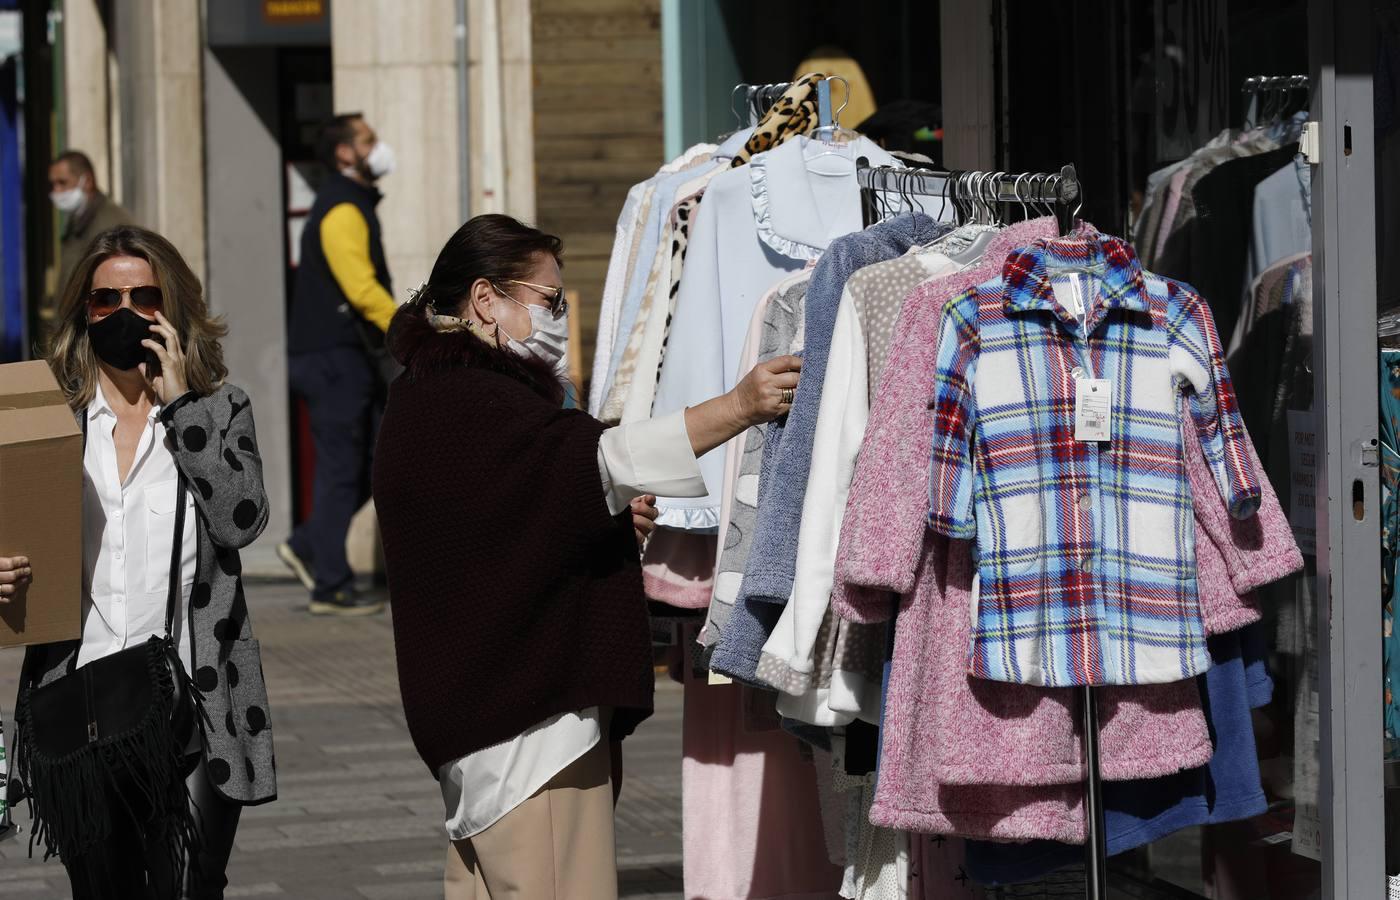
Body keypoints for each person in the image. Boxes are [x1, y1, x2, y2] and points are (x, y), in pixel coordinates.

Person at [372, 214, 801, 900]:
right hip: (527, 728)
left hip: (475, 720)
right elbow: (604, 458)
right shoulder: (478, 402)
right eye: (547, 300)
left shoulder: (424, 394)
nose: (556, 317)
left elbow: (499, 527)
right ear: (486, 299)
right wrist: (741, 404)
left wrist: (595, 519)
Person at [2, 225, 277, 898]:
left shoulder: (218, 409)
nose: (124, 312)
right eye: (105, 300)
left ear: (171, 308)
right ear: (82, 314)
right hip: (79, 706)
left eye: (143, 295)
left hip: (192, 707)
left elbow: (243, 519)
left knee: (187, 888)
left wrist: (180, 404)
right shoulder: (50, 421)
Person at [280, 112, 398, 616]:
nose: (380, 148)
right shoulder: (342, 209)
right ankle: (330, 584)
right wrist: (409, 325)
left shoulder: (350, 203)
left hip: (343, 357)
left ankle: (308, 546)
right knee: (342, 468)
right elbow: (361, 288)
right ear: (346, 154)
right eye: (369, 141)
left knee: (373, 461)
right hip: (333, 358)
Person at [48, 151, 133, 298]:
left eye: (62, 182)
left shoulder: (110, 224)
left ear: (87, 181)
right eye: (53, 184)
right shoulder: (78, 218)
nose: (56, 191)